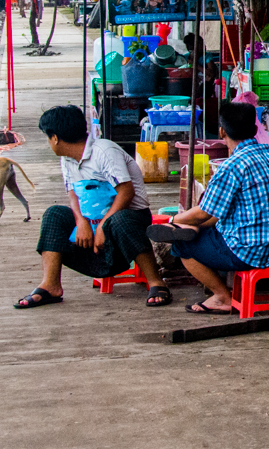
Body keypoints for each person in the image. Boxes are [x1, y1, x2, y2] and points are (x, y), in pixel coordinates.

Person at [16, 106, 170, 308]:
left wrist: (103, 227)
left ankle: (156, 282)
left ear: (55, 138)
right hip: (90, 221)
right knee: (54, 214)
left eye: (47, 137)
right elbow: (73, 193)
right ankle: (50, 285)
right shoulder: (67, 159)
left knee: (120, 220)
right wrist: (81, 221)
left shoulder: (104, 150)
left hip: (128, 220)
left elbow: (126, 191)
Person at [148, 102, 269, 314]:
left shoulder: (232, 166)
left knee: (182, 246)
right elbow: (217, 212)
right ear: (255, 129)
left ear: (222, 131)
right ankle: (188, 230)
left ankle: (222, 297)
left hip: (249, 252)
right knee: (199, 227)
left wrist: (173, 220)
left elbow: (204, 212)